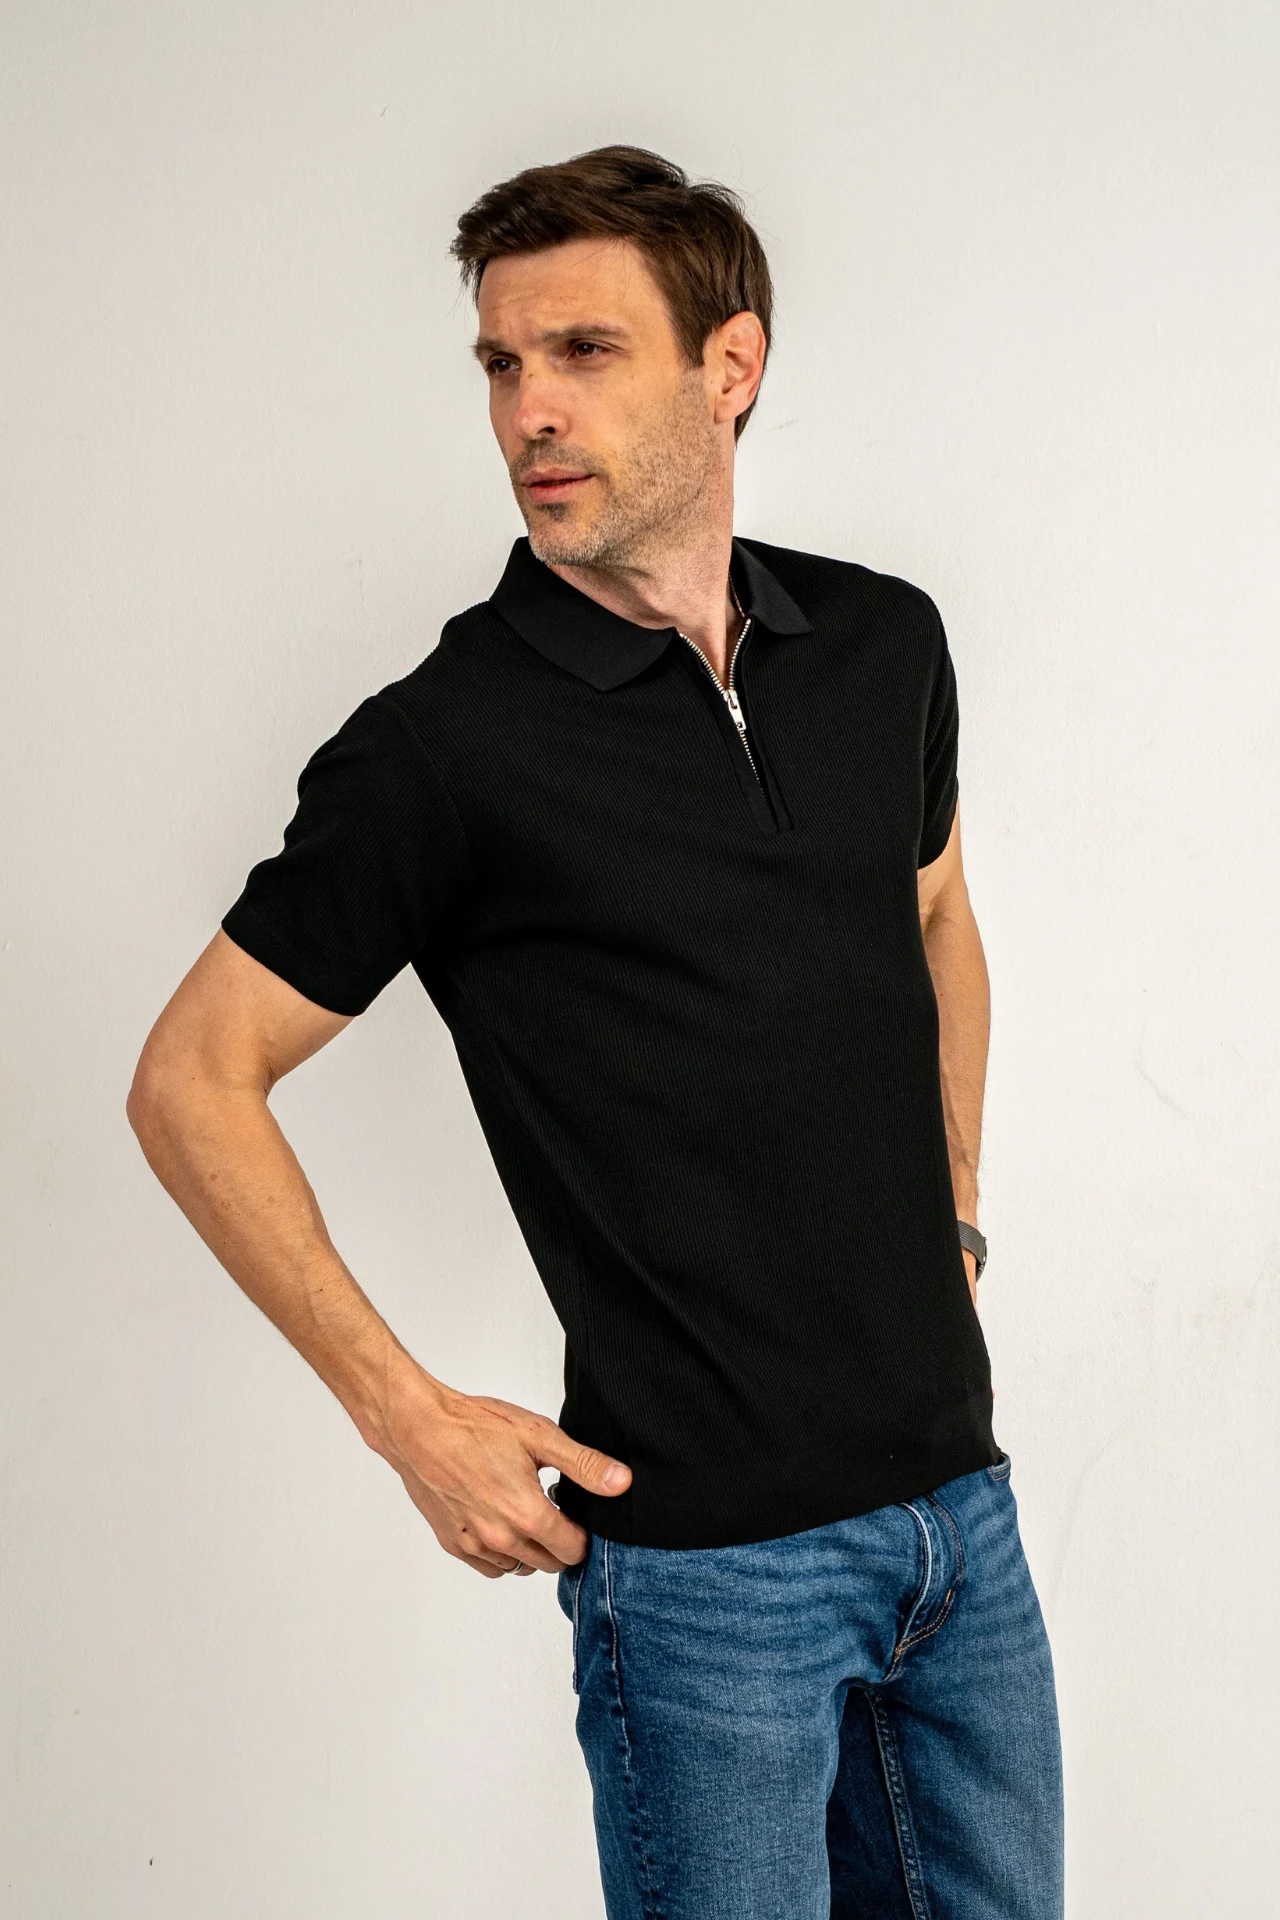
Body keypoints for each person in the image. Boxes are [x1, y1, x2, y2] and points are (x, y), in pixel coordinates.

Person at [127, 144, 1063, 1918]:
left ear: (731, 366)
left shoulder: (882, 643)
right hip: (706, 1578)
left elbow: (936, 910)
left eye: (583, 352)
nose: (529, 412)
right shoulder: (443, 746)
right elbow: (192, 1080)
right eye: (501, 364)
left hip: (964, 1517)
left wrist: (952, 1208)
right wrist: (406, 1416)